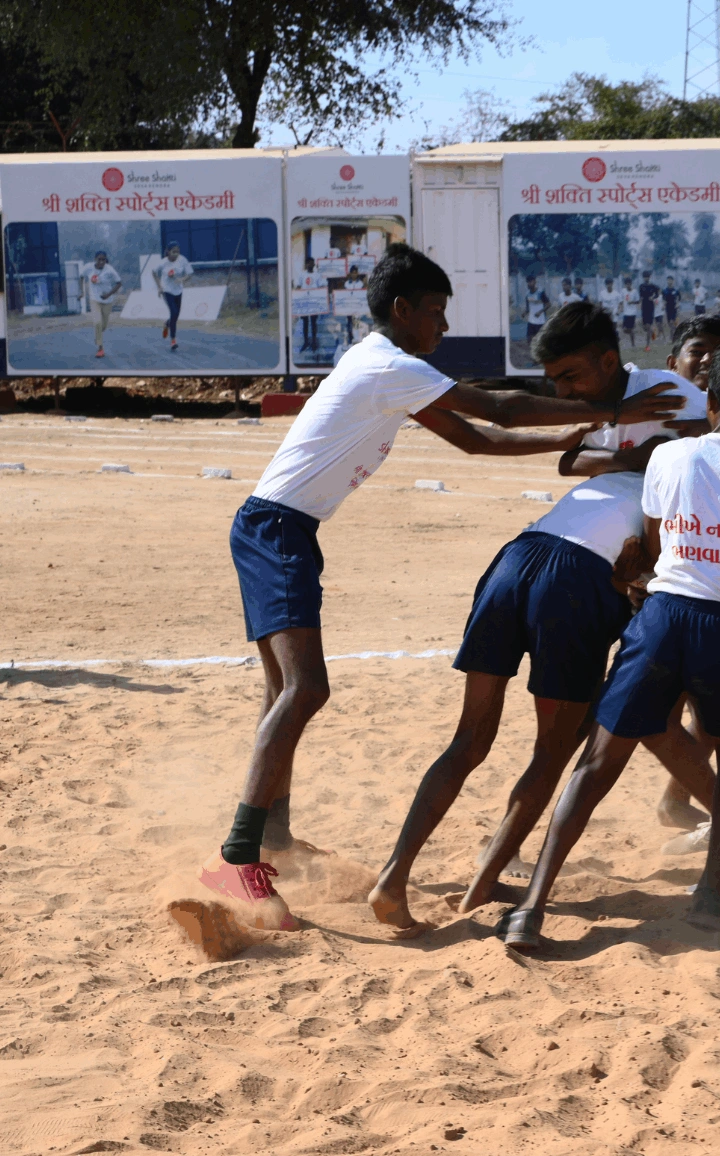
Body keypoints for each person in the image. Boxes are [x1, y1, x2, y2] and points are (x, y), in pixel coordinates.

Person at [198, 245, 688, 931]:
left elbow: (476, 441)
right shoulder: (388, 365)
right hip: (274, 529)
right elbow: (497, 408)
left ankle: (271, 834)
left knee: (285, 689)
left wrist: (572, 438)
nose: (444, 326)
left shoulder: (388, 372)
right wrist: (611, 406)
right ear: (402, 310)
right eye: (435, 311)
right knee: (304, 689)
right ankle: (237, 854)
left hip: (284, 529)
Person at [370, 300, 711, 931]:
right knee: (552, 752)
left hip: (520, 557)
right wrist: (640, 464)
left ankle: (395, 879)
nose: (562, 394)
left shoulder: (674, 399)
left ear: (608, 360)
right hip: (575, 576)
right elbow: (575, 461)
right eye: (553, 382)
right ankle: (481, 883)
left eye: (570, 378)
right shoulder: (624, 409)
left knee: (471, 740)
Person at [494, 343, 720, 948]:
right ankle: (711, 889)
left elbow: (656, 546)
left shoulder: (670, 455)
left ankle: (532, 906)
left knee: (598, 762)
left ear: (708, 403)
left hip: (663, 616)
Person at [152, 242, 194, 352]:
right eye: (173, 252)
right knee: (174, 312)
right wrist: (159, 287)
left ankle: (167, 323)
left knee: (176, 315)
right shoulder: (163, 262)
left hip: (178, 290)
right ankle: (173, 340)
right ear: (168, 252)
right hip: (167, 290)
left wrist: (181, 279)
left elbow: (190, 274)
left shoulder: (182, 260)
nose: (176, 254)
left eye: (177, 252)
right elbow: (154, 272)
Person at [85, 251, 121, 359]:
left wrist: (108, 294)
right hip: (94, 299)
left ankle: (98, 336)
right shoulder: (89, 267)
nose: (101, 262)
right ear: (95, 259)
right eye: (99, 259)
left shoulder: (110, 269)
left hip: (107, 301)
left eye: (103, 259)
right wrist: (81, 292)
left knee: (103, 326)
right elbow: (81, 276)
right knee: (97, 322)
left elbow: (119, 283)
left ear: (106, 260)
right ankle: (100, 348)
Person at [524, 274, 550, 351]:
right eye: (528, 282)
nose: (529, 283)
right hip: (531, 321)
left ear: (535, 282)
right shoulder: (527, 294)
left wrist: (540, 312)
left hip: (540, 321)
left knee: (541, 340)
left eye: (531, 281)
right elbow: (528, 308)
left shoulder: (541, 292)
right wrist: (525, 313)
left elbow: (548, 304)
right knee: (529, 339)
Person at [639, 270, 660, 346]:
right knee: (645, 327)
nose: (646, 278)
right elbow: (640, 297)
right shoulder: (641, 286)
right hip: (644, 307)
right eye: (645, 277)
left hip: (650, 306)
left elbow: (658, 293)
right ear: (643, 278)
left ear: (649, 277)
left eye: (647, 277)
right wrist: (639, 304)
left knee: (648, 326)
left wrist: (653, 297)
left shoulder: (652, 286)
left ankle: (647, 344)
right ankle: (653, 332)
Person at [620, 274, 640, 347]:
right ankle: (633, 333)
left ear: (631, 284)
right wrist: (621, 307)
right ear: (625, 285)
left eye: (629, 284)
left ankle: (633, 344)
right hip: (626, 313)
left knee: (630, 328)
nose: (628, 285)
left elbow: (638, 301)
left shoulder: (634, 291)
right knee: (624, 329)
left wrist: (632, 302)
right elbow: (621, 300)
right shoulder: (623, 291)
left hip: (632, 313)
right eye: (626, 284)